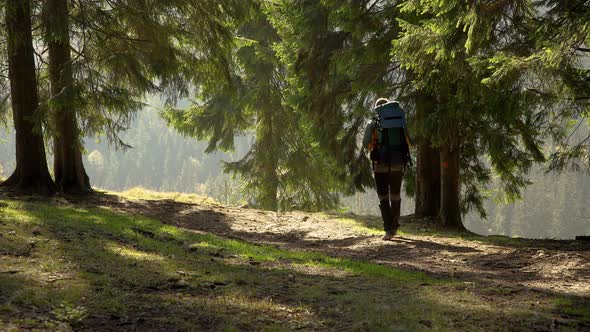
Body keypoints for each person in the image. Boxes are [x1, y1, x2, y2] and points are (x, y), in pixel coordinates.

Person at [362, 97, 412, 240]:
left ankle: (388, 230)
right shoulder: (400, 121)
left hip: (380, 163)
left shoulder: (373, 123)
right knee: (395, 195)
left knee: (383, 196)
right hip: (398, 161)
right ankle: (394, 226)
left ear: (378, 109)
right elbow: (410, 140)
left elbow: (365, 143)